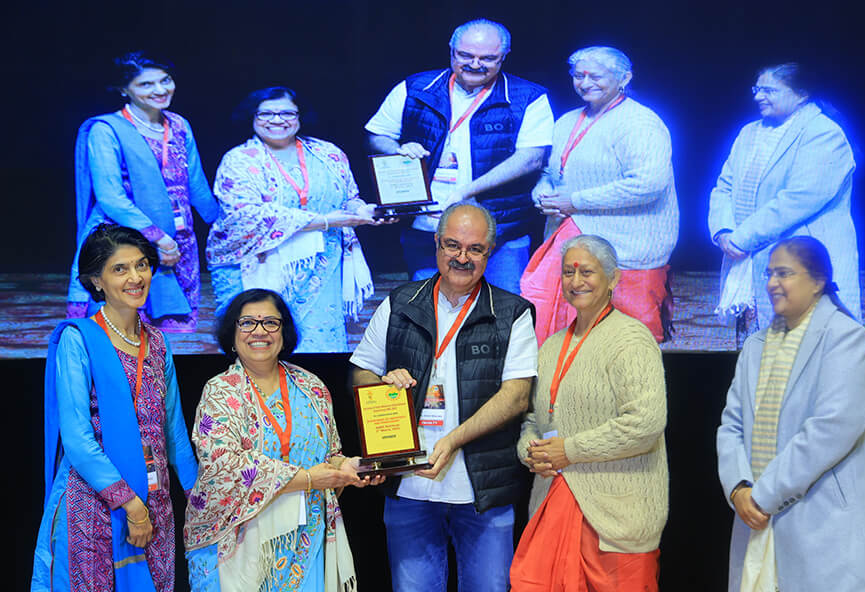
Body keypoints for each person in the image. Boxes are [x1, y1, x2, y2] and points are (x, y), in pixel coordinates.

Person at [350, 202, 538, 592]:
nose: (462, 257)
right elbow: (360, 373)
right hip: (410, 488)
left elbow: (516, 397)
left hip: (483, 491)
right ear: (436, 244)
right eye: (452, 245)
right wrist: (383, 383)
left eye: (475, 249)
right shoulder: (400, 303)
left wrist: (452, 441)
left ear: (490, 252)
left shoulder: (513, 312)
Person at [716, 236, 865, 592]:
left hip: (821, 521)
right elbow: (731, 425)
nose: (772, 283)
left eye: (784, 273)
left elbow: (831, 430)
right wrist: (739, 488)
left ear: (818, 281)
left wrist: (763, 495)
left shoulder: (845, 338)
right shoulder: (755, 345)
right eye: (769, 273)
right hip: (760, 518)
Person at [25, 223, 199, 592]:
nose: (135, 277)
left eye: (142, 265)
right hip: (89, 509)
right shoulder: (77, 339)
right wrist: (130, 505)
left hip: (152, 506)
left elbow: (173, 433)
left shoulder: (158, 343)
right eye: (120, 269)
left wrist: (203, 499)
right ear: (95, 280)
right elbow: (78, 440)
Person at [184, 289, 382, 592]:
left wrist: (348, 469)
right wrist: (307, 479)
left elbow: (331, 454)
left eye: (270, 322)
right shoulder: (220, 392)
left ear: (284, 331)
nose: (259, 331)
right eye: (248, 322)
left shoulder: (311, 386)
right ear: (232, 333)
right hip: (233, 543)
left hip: (302, 541)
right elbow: (223, 467)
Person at [506, 234, 669, 592]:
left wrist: (570, 450)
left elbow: (645, 423)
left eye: (587, 271)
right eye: (568, 271)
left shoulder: (632, 339)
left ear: (612, 279)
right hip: (554, 503)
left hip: (616, 515)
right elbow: (533, 419)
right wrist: (530, 450)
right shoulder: (551, 346)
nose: (576, 280)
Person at [365, 18, 554, 294]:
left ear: (504, 57)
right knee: (431, 306)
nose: (475, 64)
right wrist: (398, 150)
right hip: (428, 226)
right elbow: (376, 135)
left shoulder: (528, 96)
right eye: (466, 55)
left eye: (487, 58)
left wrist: (467, 191)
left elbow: (531, 158)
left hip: (501, 228)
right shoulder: (416, 87)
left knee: (503, 307)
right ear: (452, 50)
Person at [207, 86, 389, 352]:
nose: (277, 120)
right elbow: (246, 216)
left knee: (319, 345)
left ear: (300, 116)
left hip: (323, 265)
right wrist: (326, 221)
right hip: (258, 264)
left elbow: (348, 197)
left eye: (287, 113)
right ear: (252, 117)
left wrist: (362, 211)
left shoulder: (328, 153)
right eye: (266, 113)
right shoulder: (239, 160)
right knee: (259, 346)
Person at [529, 46, 679, 344]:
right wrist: (542, 193)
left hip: (627, 246)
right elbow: (552, 172)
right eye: (578, 75)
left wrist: (575, 201)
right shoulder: (567, 121)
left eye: (595, 76)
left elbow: (648, 183)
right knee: (555, 328)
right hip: (572, 237)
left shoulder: (640, 122)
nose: (585, 83)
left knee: (622, 343)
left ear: (625, 78)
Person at [708, 62, 861, 345]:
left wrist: (742, 238)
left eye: (769, 90)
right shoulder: (749, 132)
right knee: (760, 349)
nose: (758, 96)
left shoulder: (823, 133)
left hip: (802, 256)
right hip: (752, 253)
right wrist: (723, 231)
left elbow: (799, 198)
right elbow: (724, 186)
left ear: (801, 94)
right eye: (756, 89)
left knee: (807, 348)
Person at [68, 52, 219, 332]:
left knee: (169, 335)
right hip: (122, 237)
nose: (160, 90)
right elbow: (111, 197)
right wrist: (158, 239)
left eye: (166, 80)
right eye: (146, 84)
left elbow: (196, 185)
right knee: (120, 330)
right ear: (124, 89)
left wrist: (223, 223)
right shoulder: (106, 130)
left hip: (178, 235)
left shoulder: (179, 125)